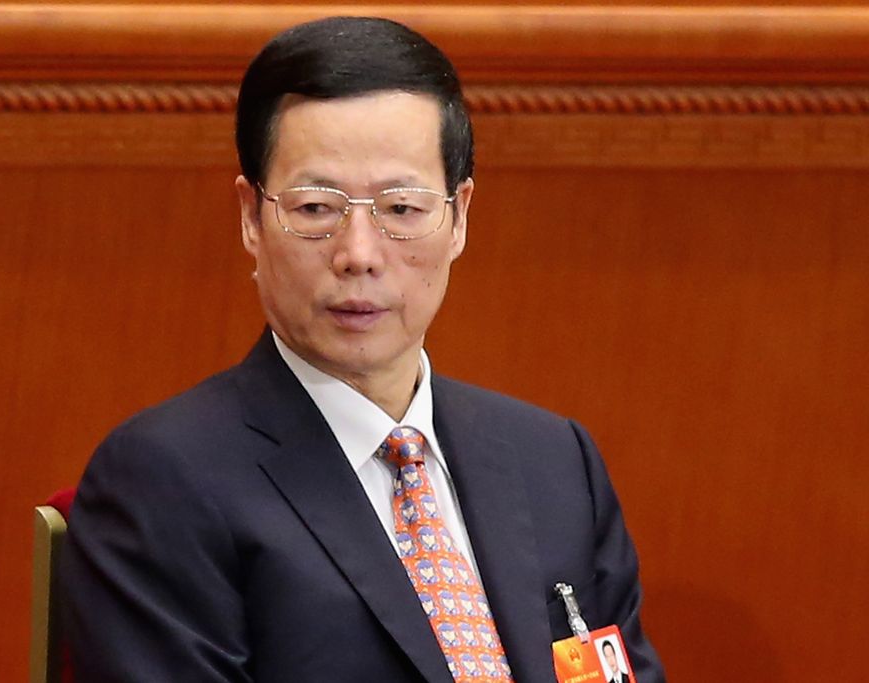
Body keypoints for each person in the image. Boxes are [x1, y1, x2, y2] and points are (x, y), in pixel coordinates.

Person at [60, 15, 665, 683]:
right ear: (251, 217)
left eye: (401, 208)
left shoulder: (554, 461)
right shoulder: (163, 479)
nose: (358, 254)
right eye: (315, 208)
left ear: (459, 217)